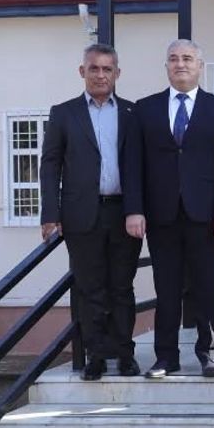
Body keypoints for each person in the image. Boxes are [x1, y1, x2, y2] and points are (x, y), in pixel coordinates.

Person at [124, 39, 214, 379]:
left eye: (187, 58)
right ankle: (166, 357)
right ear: (166, 66)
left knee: (206, 289)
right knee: (167, 289)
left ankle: (209, 353)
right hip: (161, 216)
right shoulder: (144, 109)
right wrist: (134, 209)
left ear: (200, 65)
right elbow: (133, 163)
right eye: (173, 58)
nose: (180, 64)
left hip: (205, 216)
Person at [39, 43, 142, 380]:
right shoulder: (63, 113)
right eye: (94, 68)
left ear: (117, 74)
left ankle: (125, 354)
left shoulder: (132, 113)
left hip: (124, 213)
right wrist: (50, 214)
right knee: (89, 287)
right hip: (81, 214)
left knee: (122, 287)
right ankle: (95, 355)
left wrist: (140, 210)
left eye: (107, 69)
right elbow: (50, 165)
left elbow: (141, 167)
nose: (100, 75)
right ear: (82, 71)